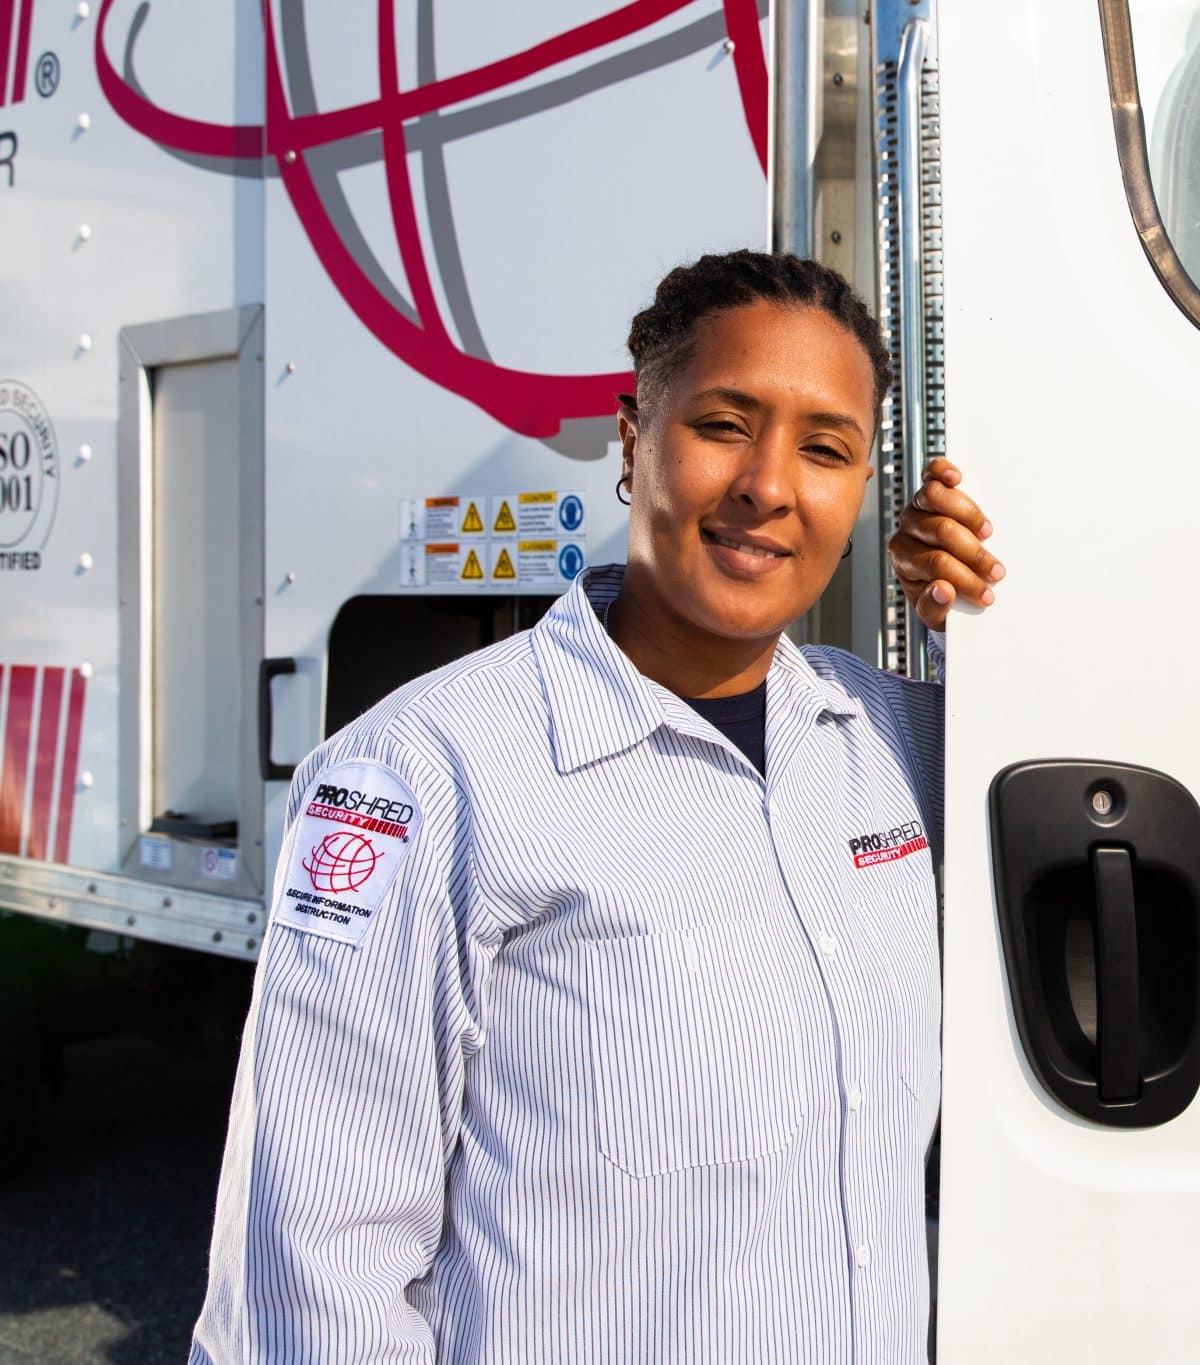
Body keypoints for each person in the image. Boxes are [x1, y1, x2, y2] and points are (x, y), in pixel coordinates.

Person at [189, 251, 1002, 1364]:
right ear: (633, 442)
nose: (769, 485)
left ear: (862, 493)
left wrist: (992, 622)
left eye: (826, 449)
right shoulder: (424, 773)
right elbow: (310, 1267)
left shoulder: (894, 741)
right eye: (724, 423)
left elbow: (1155, 773)